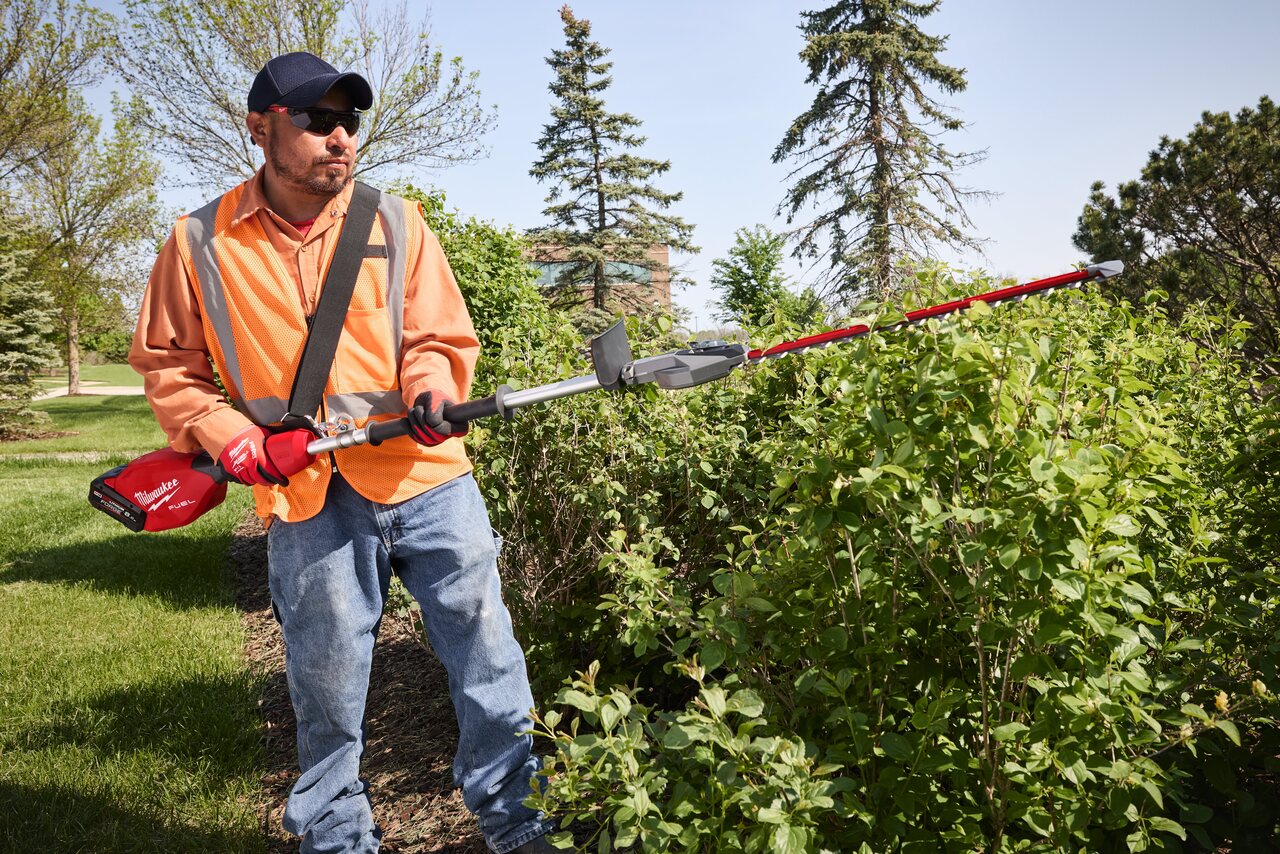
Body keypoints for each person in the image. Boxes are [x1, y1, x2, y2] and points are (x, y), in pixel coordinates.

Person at [129, 52, 555, 854]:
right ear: (261, 129)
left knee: (489, 660)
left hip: (430, 480)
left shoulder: (398, 222)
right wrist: (232, 439)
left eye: (348, 122)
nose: (339, 138)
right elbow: (168, 370)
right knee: (325, 691)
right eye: (316, 120)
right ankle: (335, 837)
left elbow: (436, 337)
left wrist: (431, 386)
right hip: (307, 499)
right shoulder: (197, 244)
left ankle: (518, 824)